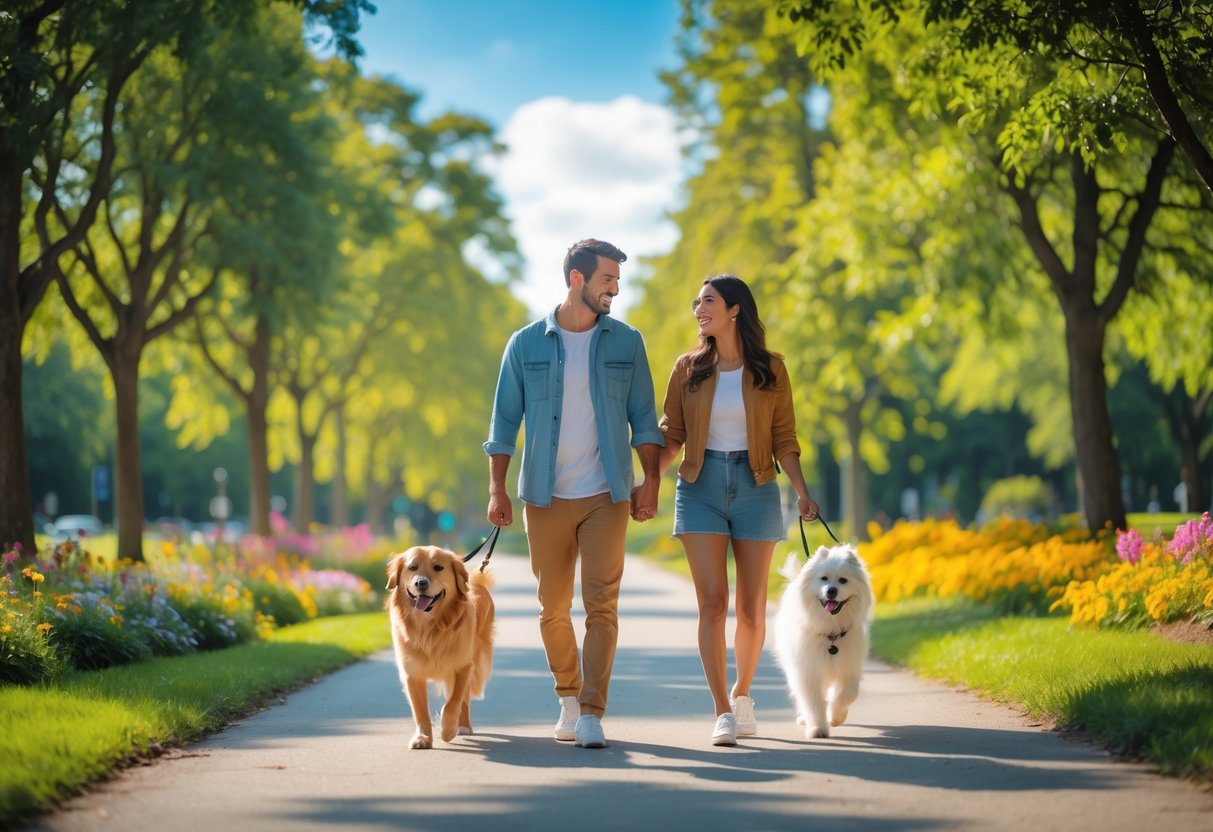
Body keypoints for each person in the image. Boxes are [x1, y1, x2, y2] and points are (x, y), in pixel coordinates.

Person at [484, 238, 663, 749]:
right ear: (577, 279)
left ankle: (591, 712)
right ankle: (567, 695)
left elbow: (644, 420)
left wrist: (649, 481)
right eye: (608, 279)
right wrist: (497, 488)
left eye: (618, 281)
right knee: (553, 608)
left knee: (602, 605)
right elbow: (503, 423)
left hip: (607, 494)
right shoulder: (525, 345)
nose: (615, 290)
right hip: (544, 495)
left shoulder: (628, 343)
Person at [652, 274, 819, 746]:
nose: (698, 308)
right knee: (712, 604)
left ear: (734, 310)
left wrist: (803, 491)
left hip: (758, 484)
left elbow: (785, 436)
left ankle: (744, 695)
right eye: (696, 301)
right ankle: (722, 709)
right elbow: (672, 436)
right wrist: (647, 484)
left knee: (749, 608)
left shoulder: (770, 369)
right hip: (700, 485)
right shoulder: (688, 369)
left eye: (708, 301)